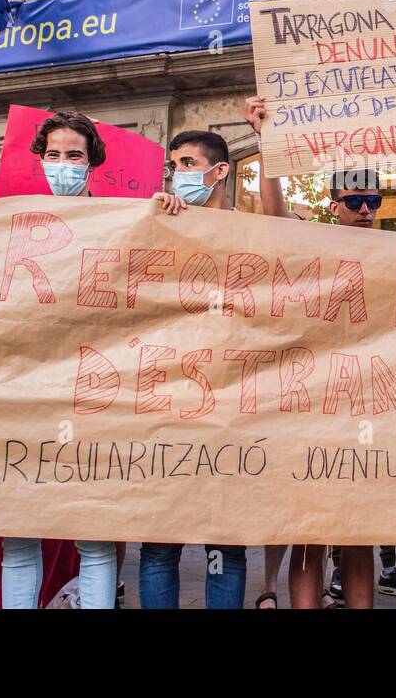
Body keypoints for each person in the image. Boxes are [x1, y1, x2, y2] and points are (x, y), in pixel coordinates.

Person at [244, 95, 396, 609]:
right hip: (312, 407)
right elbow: (273, 215)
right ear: (333, 207)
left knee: (357, 531)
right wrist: (266, 141)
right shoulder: (311, 244)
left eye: (374, 201)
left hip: (368, 410)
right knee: (310, 530)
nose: (366, 210)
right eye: (354, 201)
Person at [0, 112, 118, 609]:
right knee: (21, 532)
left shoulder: (120, 221)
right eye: (53, 155)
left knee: (93, 533)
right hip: (25, 392)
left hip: (94, 394)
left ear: (91, 164)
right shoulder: (6, 221)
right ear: (40, 158)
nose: (62, 165)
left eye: (74, 156)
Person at [137, 128, 247, 609]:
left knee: (227, 544)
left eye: (186, 164)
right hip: (166, 405)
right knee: (159, 545)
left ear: (218, 171)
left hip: (232, 410)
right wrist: (154, 221)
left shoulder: (253, 230)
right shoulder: (161, 221)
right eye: (174, 166)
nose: (176, 175)